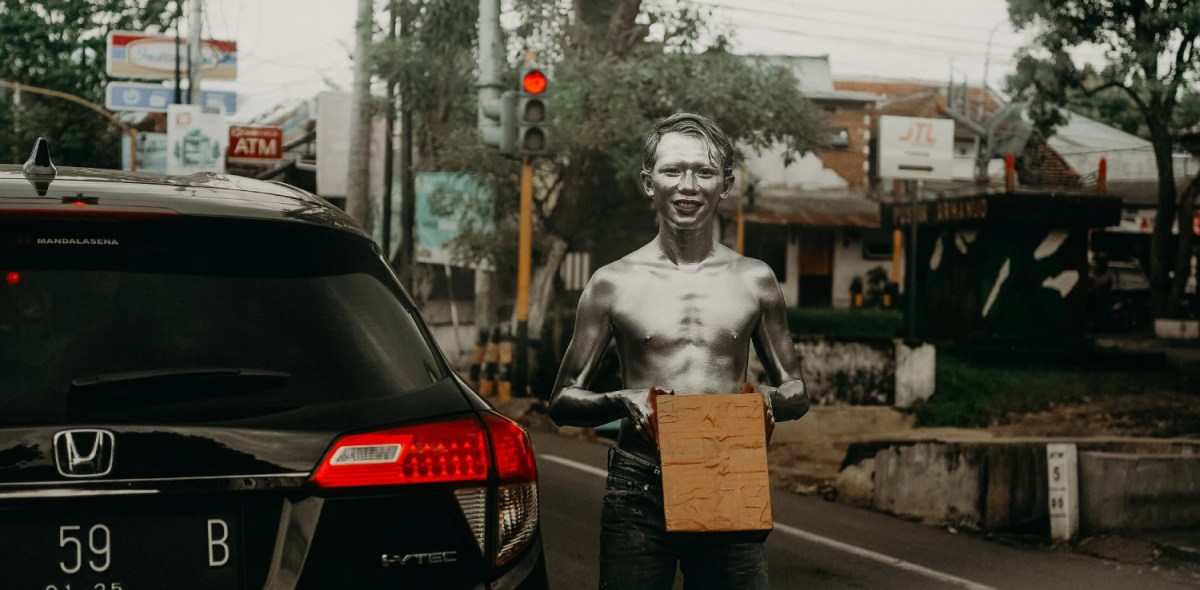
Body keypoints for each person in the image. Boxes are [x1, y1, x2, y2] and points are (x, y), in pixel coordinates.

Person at [548, 112, 810, 589]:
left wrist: (766, 401)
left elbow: (797, 390)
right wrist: (621, 401)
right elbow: (562, 401)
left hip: (725, 471)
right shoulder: (612, 282)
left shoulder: (756, 280)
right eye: (673, 171)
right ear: (649, 183)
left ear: (725, 184)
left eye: (704, 172)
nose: (688, 185)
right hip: (638, 483)